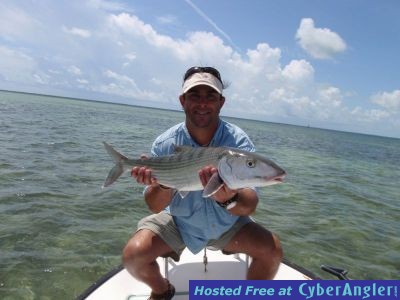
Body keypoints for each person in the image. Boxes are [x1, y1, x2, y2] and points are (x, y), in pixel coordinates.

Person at [123, 66, 283, 300]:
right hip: (179, 221)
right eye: (194, 95)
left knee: (273, 250)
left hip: (227, 224)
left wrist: (228, 198)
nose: (202, 103)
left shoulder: (237, 141)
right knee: (133, 255)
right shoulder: (166, 143)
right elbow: (154, 206)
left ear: (221, 102)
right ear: (182, 100)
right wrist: (164, 183)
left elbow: (249, 206)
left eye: (210, 96)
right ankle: (162, 290)